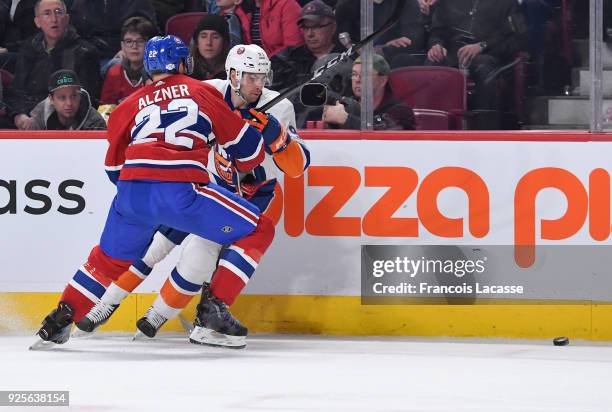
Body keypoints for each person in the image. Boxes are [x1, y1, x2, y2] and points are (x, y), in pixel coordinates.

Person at [34, 35, 284, 350]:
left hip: (131, 196)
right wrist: (250, 127)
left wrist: (144, 198)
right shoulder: (203, 92)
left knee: (106, 261)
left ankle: (61, 318)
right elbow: (249, 156)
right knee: (259, 229)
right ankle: (212, 314)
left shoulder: (126, 106)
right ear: (184, 63)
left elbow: (113, 168)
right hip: (180, 191)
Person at [5, 0, 101, 130]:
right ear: (37, 22)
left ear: (67, 19)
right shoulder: (28, 49)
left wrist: (43, 117)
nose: (54, 19)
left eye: (58, 12)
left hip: (66, 122)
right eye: (47, 14)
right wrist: (19, 115)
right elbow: (16, 91)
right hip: (28, 119)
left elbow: (86, 98)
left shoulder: (85, 52)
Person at [425, 0, 528, 111]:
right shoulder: (446, 2)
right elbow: (437, 32)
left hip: (490, 55)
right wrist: (436, 45)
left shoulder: (507, 3)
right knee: (431, 66)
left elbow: (517, 39)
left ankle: (485, 124)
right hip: (453, 55)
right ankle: (429, 122)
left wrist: (483, 46)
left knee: (484, 68)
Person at [322, 53, 415, 130]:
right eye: (354, 74)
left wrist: (346, 119)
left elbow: (384, 138)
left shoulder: (400, 111)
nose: (357, 80)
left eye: (365, 74)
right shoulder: (346, 105)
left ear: (383, 80)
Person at [335, 0, 426, 68]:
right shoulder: (347, 5)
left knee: (403, 60)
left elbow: (412, 39)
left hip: (390, 59)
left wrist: (384, 49)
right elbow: (341, 40)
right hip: (353, 59)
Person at [97, 16, 157, 121]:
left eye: (140, 41)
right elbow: (105, 112)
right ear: (122, 46)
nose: (134, 46)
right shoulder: (114, 72)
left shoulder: (158, 74)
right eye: (129, 41)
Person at [68, 0, 157, 61]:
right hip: (90, 55)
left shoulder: (135, 3)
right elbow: (74, 30)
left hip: (119, 53)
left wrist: (126, 48)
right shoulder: (81, 3)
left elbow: (143, 27)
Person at [30, 69, 106, 130]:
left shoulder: (95, 122)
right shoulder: (39, 117)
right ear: (51, 99)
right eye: (62, 98)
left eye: (73, 96)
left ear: (80, 96)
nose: (69, 103)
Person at [234, 0, 303, 57]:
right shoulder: (242, 9)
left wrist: (265, 63)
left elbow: (293, 46)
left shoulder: (287, 5)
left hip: (284, 68)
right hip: (254, 68)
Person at [188, 14, 231, 81]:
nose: (209, 43)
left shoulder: (232, 72)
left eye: (215, 37)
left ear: (224, 42)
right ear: (196, 42)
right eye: (203, 36)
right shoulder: (186, 71)